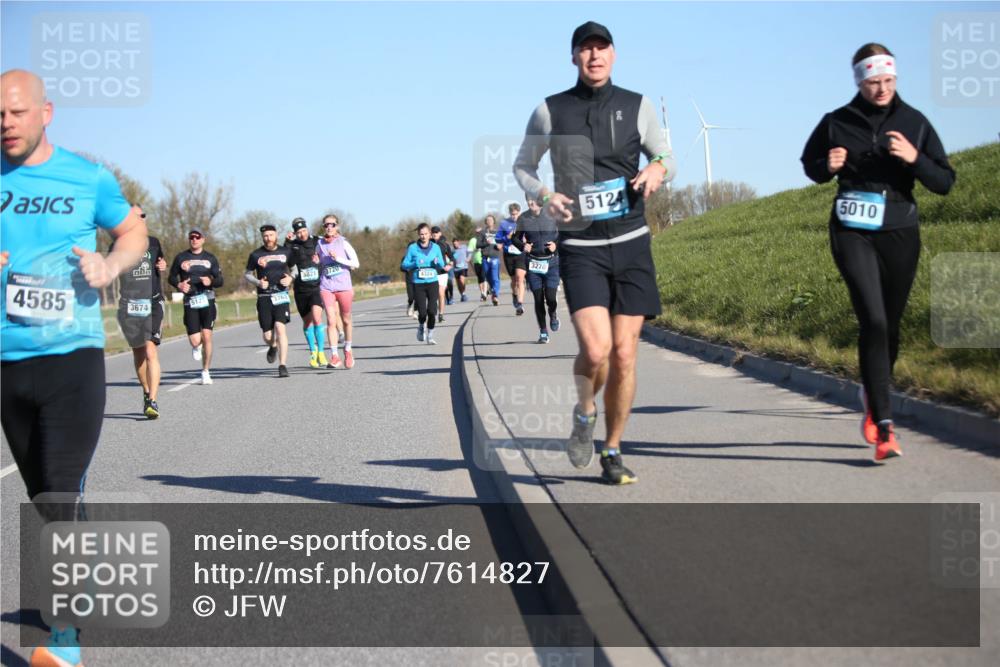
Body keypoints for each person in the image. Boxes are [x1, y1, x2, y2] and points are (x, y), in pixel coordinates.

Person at [1, 68, 148, 667]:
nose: (5, 123)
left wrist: (110, 268)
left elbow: (132, 231)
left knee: (60, 491)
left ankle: (62, 644)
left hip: (73, 358)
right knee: (43, 495)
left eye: (15, 111)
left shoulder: (88, 177)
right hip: (7, 361)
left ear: (45, 112)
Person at [513, 22, 676, 485]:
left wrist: (658, 170)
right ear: (574, 58)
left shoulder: (637, 105)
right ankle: (585, 412)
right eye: (585, 50)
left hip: (631, 242)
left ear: (614, 54)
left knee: (625, 354)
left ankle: (612, 448)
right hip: (582, 246)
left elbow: (667, 155)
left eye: (601, 48)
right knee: (597, 348)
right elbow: (523, 165)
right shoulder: (550, 110)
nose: (594, 56)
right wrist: (544, 195)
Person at [801, 43, 954, 462]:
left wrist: (915, 158)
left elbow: (944, 181)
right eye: (873, 82)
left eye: (888, 81)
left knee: (891, 326)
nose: (882, 88)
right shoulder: (837, 121)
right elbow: (810, 164)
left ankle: (875, 388)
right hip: (852, 228)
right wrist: (827, 167)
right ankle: (884, 427)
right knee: (873, 318)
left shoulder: (914, 121)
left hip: (900, 230)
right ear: (859, 81)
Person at [115, 226, 167, 418]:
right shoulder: (117, 245)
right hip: (130, 304)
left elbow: (160, 262)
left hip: (152, 301)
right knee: (138, 352)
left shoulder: (153, 242)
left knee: (150, 349)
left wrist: (162, 265)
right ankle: (146, 392)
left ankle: (153, 400)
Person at [168, 228, 223, 384]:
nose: (194, 239)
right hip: (190, 300)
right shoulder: (181, 257)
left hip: (208, 299)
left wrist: (210, 281)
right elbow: (171, 277)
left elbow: (220, 280)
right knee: (195, 340)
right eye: (191, 237)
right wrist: (179, 285)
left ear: (203, 239)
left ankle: (205, 371)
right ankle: (196, 347)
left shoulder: (210, 258)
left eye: (197, 237)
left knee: (207, 336)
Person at [245, 224, 294, 378]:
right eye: (265, 236)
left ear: (276, 235)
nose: (268, 238)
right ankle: (272, 346)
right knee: (267, 335)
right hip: (264, 297)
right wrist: (258, 283)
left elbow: (295, 268)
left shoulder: (286, 251)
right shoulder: (256, 255)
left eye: (271, 235)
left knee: (280, 328)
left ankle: (283, 365)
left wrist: (291, 278)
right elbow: (247, 274)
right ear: (263, 237)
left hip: (281, 294)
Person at [513, 196, 561, 343]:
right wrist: (523, 246)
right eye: (528, 200)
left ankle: (553, 313)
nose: (531, 203)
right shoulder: (523, 218)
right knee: (538, 299)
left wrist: (556, 245)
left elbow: (564, 232)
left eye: (533, 199)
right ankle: (543, 332)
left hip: (551, 263)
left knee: (551, 298)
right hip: (533, 264)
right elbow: (515, 238)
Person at [317, 214, 360, 368]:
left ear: (337, 226)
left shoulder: (343, 242)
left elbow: (356, 263)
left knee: (346, 320)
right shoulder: (319, 244)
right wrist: (315, 261)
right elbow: (319, 261)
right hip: (326, 285)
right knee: (330, 319)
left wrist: (338, 259)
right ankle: (334, 356)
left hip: (343, 286)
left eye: (332, 225)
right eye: (326, 225)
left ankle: (348, 350)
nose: (329, 227)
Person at [284, 217, 327, 368]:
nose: (302, 234)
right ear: (295, 233)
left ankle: (321, 352)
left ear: (307, 229)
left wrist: (320, 261)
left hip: (316, 287)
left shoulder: (317, 241)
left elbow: (327, 254)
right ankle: (313, 351)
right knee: (307, 322)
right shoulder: (292, 245)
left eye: (304, 231)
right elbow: (285, 260)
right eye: (298, 232)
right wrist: (287, 242)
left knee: (317, 318)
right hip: (301, 290)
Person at [401, 223, 446, 345]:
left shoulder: (436, 248)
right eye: (421, 234)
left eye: (426, 234)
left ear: (430, 234)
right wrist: (413, 264)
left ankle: (430, 334)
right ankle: (421, 326)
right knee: (422, 313)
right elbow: (404, 264)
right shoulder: (413, 248)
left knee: (432, 311)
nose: (423, 236)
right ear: (418, 235)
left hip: (432, 282)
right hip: (418, 283)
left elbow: (442, 264)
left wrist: (437, 263)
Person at [497, 202, 526, 315]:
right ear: (509, 213)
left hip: (520, 253)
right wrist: (506, 237)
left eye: (516, 214)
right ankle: (514, 294)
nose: (514, 216)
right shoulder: (504, 223)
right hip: (509, 254)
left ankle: (520, 304)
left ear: (519, 212)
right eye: (512, 214)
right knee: (514, 280)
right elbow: (498, 239)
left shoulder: (524, 222)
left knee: (520, 278)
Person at [476, 214, 503, 306]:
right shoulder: (482, 233)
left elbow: (502, 242)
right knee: (488, 277)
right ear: (485, 222)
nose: (489, 221)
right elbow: (478, 245)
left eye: (491, 220)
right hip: (485, 258)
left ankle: (495, 295)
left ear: (494, 222)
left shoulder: (498, 232)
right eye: (487, 220)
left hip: (495, 257)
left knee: (495, 277)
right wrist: (485, 243)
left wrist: (500, 246)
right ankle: (493, 291)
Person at [430, 226, 454, 322]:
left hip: (442, 272)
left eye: (436, 232)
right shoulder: (428, 244)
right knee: (433, 294)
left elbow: (452, 258)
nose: (435, 233)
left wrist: (449, 265)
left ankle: (441, 314)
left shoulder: (444, 245)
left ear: (440, 233)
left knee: (441, 293)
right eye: (433, 232)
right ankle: (434, 308)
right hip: (431, 272)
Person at [468, 229, 487, 301]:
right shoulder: (473, 240)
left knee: (484, 277)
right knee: (479, 278)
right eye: (477, 232)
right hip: (476, 261)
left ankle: (485, 293)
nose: (478, 234)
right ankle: (482, 293)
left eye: (480, 232)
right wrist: (469, 258)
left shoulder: (484, 239)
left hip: (484, 259)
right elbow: (469, 250)